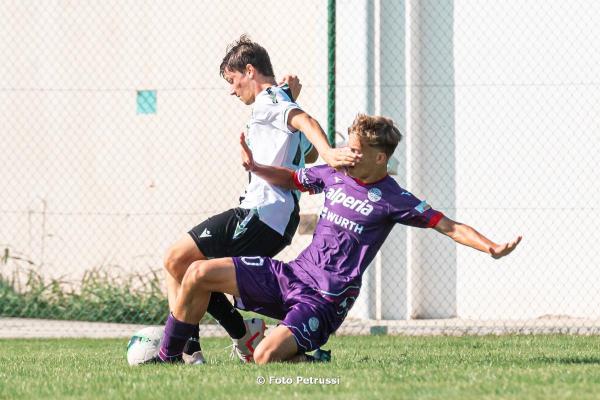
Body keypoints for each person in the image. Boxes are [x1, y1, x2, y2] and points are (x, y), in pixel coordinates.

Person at [153, 113, 522, 364]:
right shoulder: (334, 172)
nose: (346, 151)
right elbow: (294, 179)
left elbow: (450, 225)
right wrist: (255, 168)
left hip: (326, 298)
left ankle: (307, 356)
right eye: (347, 144)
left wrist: (490, 247)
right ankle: (167, 359)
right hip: (293, 274)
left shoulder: (394, 199)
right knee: (198, 272)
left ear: (379, 158)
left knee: (264, 358)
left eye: (355, 148)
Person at [162, 35, 360, 364]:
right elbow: (304, 153)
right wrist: (292, 103)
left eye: (232, 79)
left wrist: (328, 152)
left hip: (260, 213)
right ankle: (203, 345)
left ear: (250, 71)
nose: (231, 88)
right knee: (190, 268)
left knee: (176, 259)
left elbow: (304, 121)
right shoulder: (275, 102)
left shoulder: (271, 100)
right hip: (275, 219)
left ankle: (203, 343)